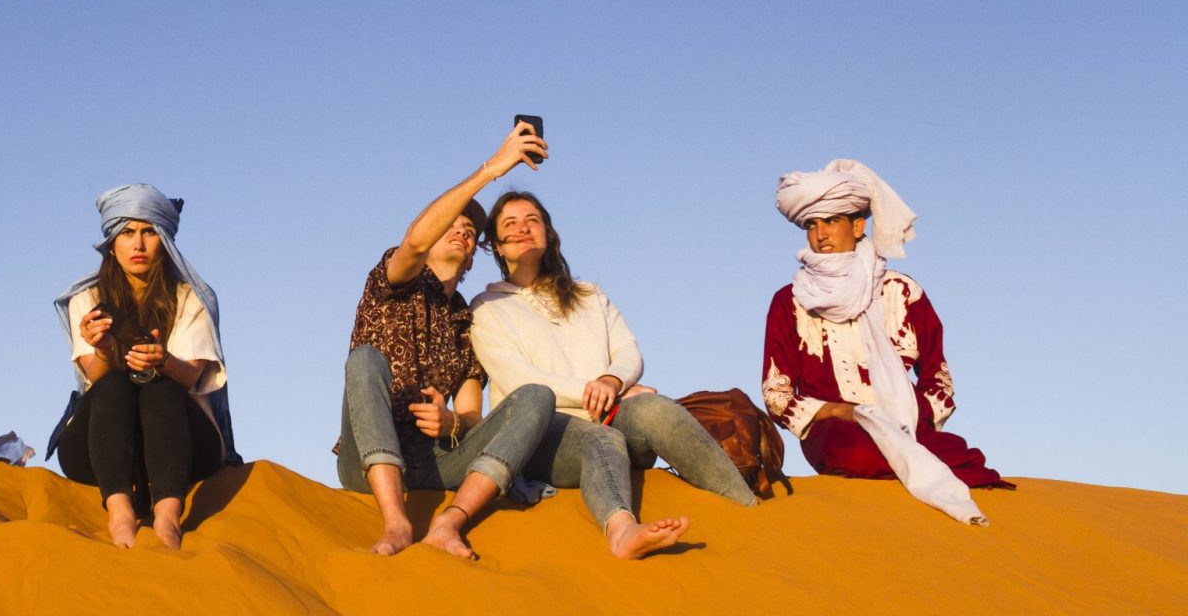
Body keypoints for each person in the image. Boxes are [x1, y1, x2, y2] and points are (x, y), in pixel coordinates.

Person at [469, 191, 756, 560]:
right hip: (544, 436)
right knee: (600, 439)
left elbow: (627, 351)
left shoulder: (589, 295)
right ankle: (622, 531)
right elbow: (521, 378)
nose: (523, 228)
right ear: (496, 245)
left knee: (655, 408)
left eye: (533, 220)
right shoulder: (487, 307)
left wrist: (612, 382)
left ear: (548, 233)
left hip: (610, 413)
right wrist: (594, 391)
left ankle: (746, 506)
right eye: (510, 223)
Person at [337, 123, 558, 561]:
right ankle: (396, 520)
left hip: (437, 464)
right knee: (364, 361)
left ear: (476, 253)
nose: (461, 230)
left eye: (470, 231)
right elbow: (415, 240)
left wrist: (452, 422)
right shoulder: (393, 280)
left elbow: (473, 415)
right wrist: (492, 170)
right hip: (369, 461)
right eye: (451, 224)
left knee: (536, 397)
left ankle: (448, 521)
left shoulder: (467, 322)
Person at [763, 160, 1009, 524]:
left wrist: (913, 415)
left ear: (858, 226)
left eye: (831, 221)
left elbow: (938, 375)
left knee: (963, 458)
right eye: (812, 224)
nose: (820, 234)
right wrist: (839, 411)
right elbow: (776, 392)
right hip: (836, 430)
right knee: (857, 455)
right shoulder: (791, 301)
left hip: (907, 424)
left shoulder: (901, 292)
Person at [48, 184, 237, 550]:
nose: (138, 244)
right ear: (112, 242)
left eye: (149, 231)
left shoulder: (189, 298)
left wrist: (162, 360)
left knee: (161, 387)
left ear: (164, 239)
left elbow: (193, 375)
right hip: (102, 444)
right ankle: (120, 513)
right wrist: (103, 348)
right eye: (127, 232)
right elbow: (95, 377)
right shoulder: (85, 298)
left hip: (183, 443)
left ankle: (168, 517)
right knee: (114, 385)